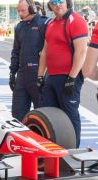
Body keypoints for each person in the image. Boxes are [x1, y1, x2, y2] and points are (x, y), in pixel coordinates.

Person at [37, 0, 88, 148]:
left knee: (70, 115)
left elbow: (81, 51)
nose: (58, 4)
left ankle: (73, 151)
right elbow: (45, 51)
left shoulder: (76, 21)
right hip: (51, 77)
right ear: (50, 5)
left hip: (68, 76)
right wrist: (40, 76)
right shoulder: (50, 24)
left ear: (67, 3)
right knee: (49, 116)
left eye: (61, 1)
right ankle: (53, 151)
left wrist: (72, 78)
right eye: (54, 2)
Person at [9, 0, 48, 122]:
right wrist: (12, 73)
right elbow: (16, 51)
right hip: (22, 75)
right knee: (17, 114)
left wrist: (43, 75)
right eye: (18, 11)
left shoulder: (44, 23)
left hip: (38, 75)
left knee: (42, 115)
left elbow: (49, 51)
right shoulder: (19, 27)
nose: (20, 13)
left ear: (32, 8)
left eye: (23, 10)